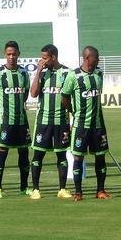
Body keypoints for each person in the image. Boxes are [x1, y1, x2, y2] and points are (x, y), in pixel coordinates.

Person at [62, 45, 110, 201]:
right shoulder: (73, 76)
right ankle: (78, 192)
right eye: (97, 57)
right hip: (80, 126)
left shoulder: (99, 74)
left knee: (101, 157)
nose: (99, 60)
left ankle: (100, 190)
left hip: (98, 125)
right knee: (78, 158)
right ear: (88, 58)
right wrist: (74, 112)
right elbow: (64, 98)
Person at [0, 41, 32, 199]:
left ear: (19, 54)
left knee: (24, 153)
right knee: (1, 153)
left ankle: (24, 187)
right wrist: (1, 110)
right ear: (5, 55)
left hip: (21, 121)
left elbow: (25, 95)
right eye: (8, 54)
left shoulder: (24, 73)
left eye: (14, 54)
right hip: (5, 121)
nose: (11, 57)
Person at [28, 44, 70, 200]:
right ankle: (35, 189)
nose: (42, 61)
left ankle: (62, 189)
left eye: (44, 58)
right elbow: (33, 94)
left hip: (61, 121)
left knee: (62, 155)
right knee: (38, 154)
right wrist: (38, 71)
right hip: (43, 121)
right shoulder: (42, 73)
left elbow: (70, 97)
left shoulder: (67, 73)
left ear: (53, 57)